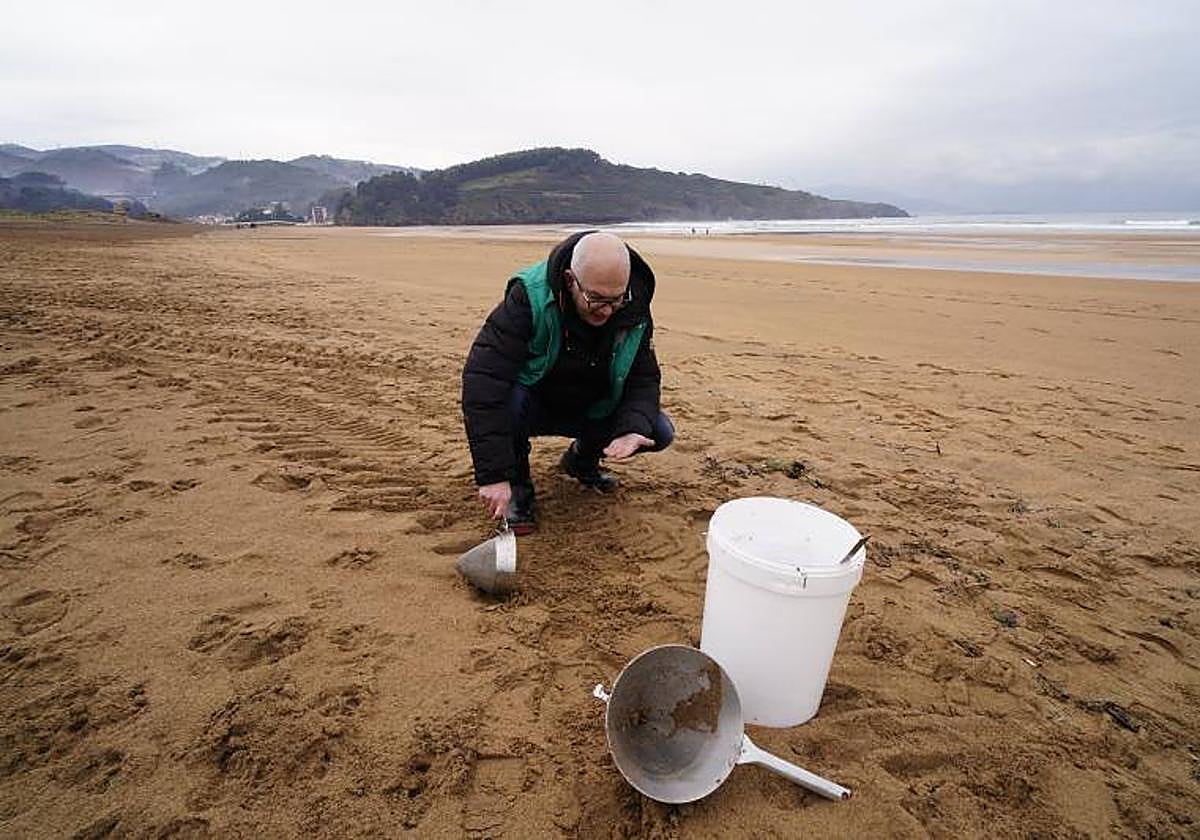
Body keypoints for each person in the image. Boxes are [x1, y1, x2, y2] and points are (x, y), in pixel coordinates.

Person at [461, 231, 675, 534]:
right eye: (596, 299)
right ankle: (518, 488)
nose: (607, 310)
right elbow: (483, 382)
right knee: (506, 398)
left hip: (591, 405)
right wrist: (494, 475)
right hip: (533, 405)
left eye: (616, 300)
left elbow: (644, 376)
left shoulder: (633, 304)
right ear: (570, 279)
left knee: (657, 430)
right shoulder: (529, 297)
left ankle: (581, 461)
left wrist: (632, 428)